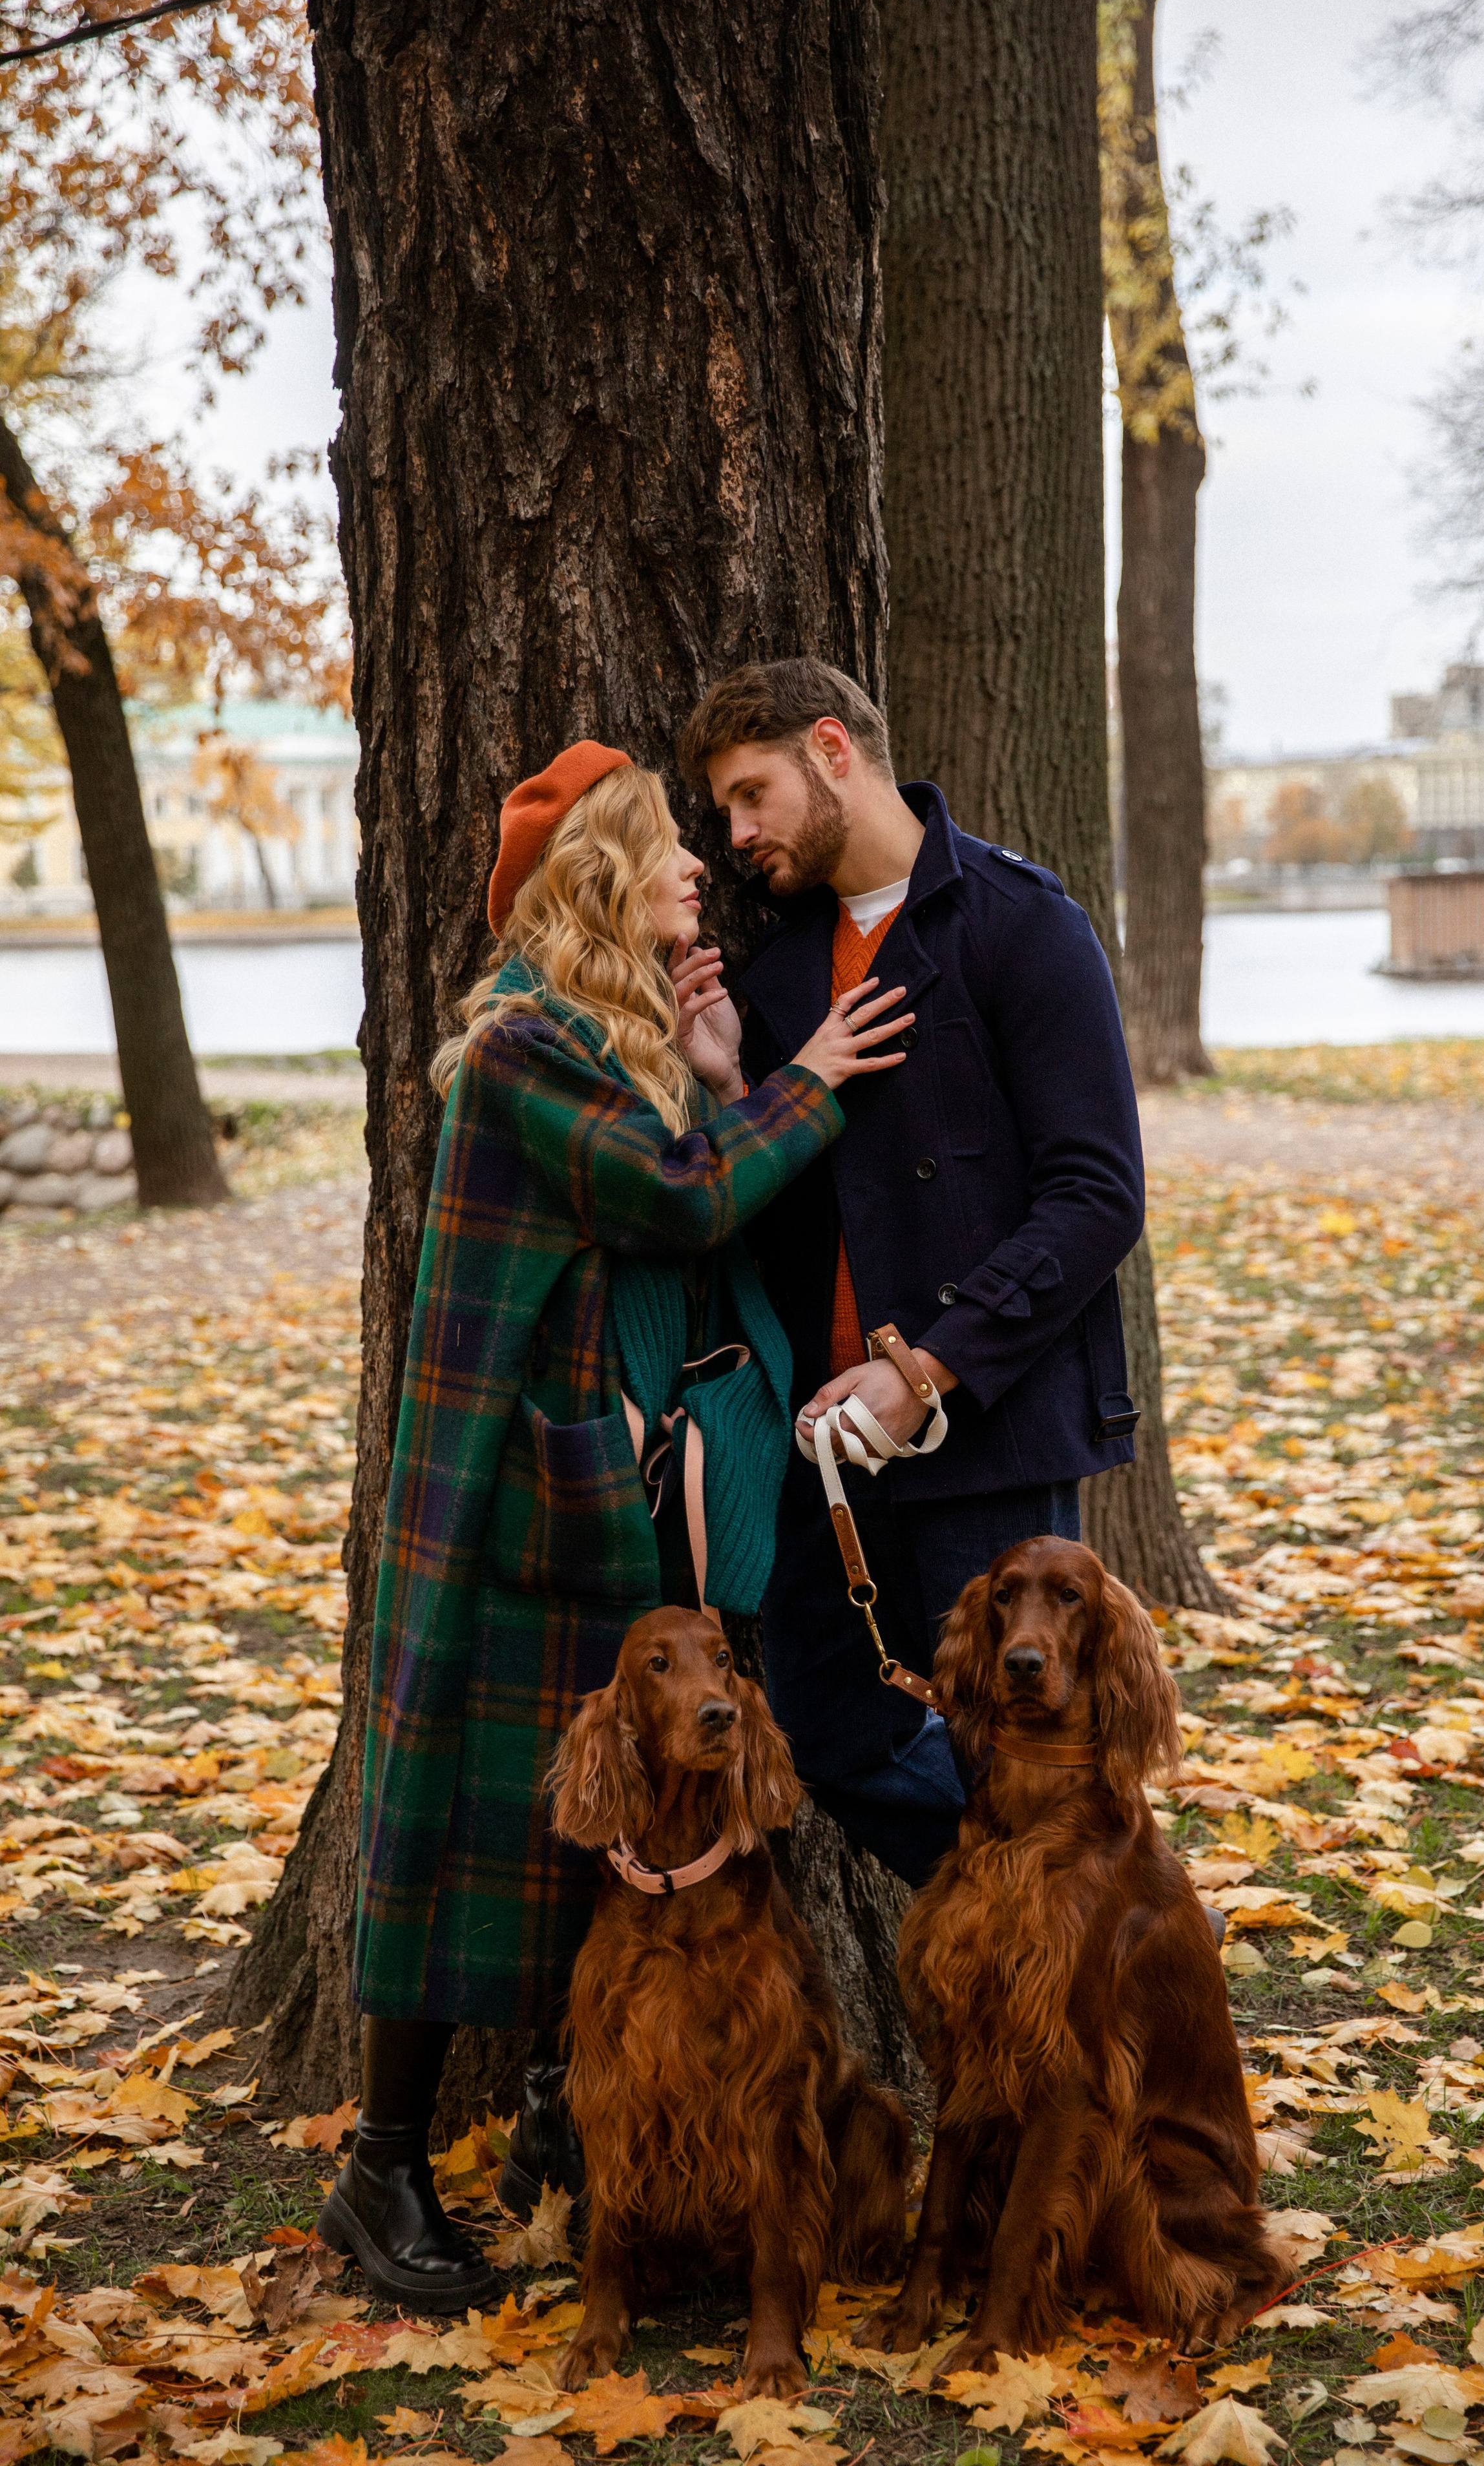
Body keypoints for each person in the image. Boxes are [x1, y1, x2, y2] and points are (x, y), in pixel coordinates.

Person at [320, 741, 910, 2312]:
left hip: (589, 1498)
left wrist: (721, 1075)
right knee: (458, 1826)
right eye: (665, 850)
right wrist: (806, 1081)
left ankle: (546, 2139)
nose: (695, 871)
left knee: (566, 1844)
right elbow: (677, 1199)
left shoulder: (609, 1043)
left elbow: (683, 1182)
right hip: (510, 1505)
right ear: (598, 876)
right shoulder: (525, 1050)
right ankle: (379, 2174)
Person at [676, 661, 1147, 1888]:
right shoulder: (779, 974)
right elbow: (776, 1213)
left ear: (833, 748)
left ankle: (1089, 1994)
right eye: (724, 811)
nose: (736, 837)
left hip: (984, 1432)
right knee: (830, 1732)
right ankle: (1040, 1913)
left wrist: (927, 1372)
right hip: (818, 1447)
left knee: (1029, 1755)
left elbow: (1098, 1197)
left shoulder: (1018, 922)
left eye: (751, 794)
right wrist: (736, 1089)